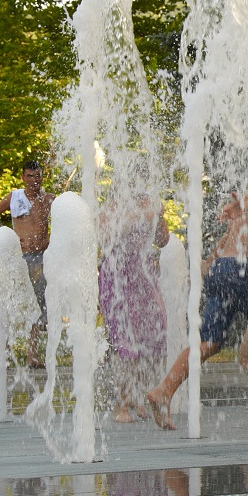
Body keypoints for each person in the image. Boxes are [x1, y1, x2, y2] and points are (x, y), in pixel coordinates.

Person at [145, 144, 248, 430]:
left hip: (223, 269)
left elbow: (225, 241)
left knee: (209, 342)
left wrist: (207, 265)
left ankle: (163, 392)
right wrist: (240, 203)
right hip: (240, 270)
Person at [97, 169, 169, 423]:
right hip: (117, 277)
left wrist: (158, 217)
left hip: (143, 276)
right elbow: (105, 239)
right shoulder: (110, 208)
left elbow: (163, 240)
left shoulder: (150, 207)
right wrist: (139, 215)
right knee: (124, 341)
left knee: (153, 334)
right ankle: (120, 404)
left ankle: (137, 395)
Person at [0, 160, 54, 366]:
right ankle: (4, 352)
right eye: (29, 176)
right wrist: (4, 238)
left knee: (39, 304)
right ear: (22, 177)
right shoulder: (15, 197)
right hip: (19, 257)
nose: (34, 180)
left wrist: (53, 240)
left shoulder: (48, 199)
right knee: (12, 301)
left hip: (41, 258)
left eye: (37, 176)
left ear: (42, 177)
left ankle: (33, 356)